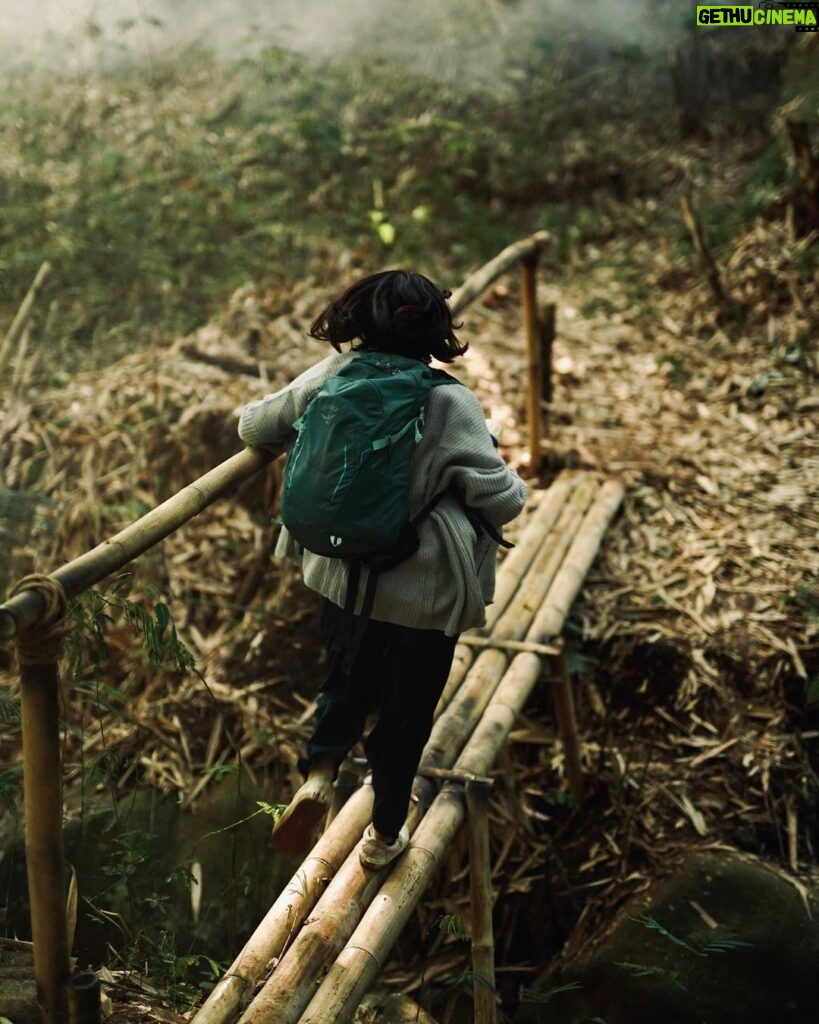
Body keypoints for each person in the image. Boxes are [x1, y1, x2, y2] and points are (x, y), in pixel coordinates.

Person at [237, 270, 527, 870]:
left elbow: (254, 427)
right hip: (424, 595)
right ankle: (385, 836)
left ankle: (319, 775)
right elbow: (503, 500)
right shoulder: (449, 400)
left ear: (355, 320)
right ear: (436, 330)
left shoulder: (332, 376)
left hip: (342, 576)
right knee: (407, 711)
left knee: (343, 682)